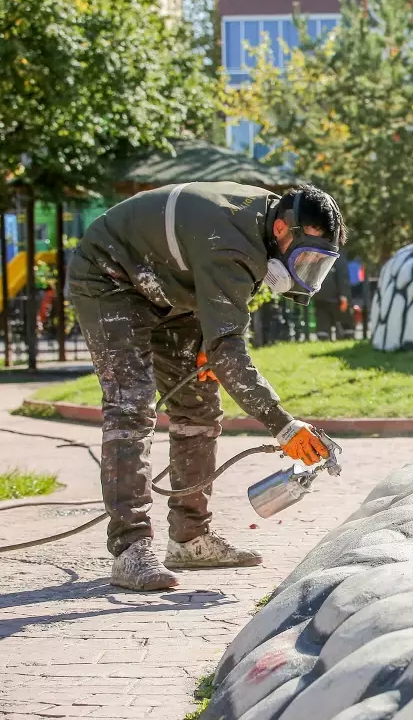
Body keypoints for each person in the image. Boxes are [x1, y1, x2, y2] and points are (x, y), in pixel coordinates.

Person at [67, 182, 347, 591]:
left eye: (318, 265)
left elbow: (221, 325)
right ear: (284, 229)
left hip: (171, 287)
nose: (305, 272)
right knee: (132, 407)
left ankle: (188, 538)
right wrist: (283, 424)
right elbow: (229, 351)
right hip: (111, 279)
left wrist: (208, 344)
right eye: (305, 259)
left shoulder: (262, 230)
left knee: (197, 406)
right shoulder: (231, 245)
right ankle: (130, 550)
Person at [312, 252, 352, 340]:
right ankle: (343, 338)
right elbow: (342, 276)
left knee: (323, 327)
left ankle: (325, 340)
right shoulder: (338, 255)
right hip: (335, 298)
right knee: (342, 326)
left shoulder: (317, 253)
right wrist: (344, 295)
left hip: (321, 297)